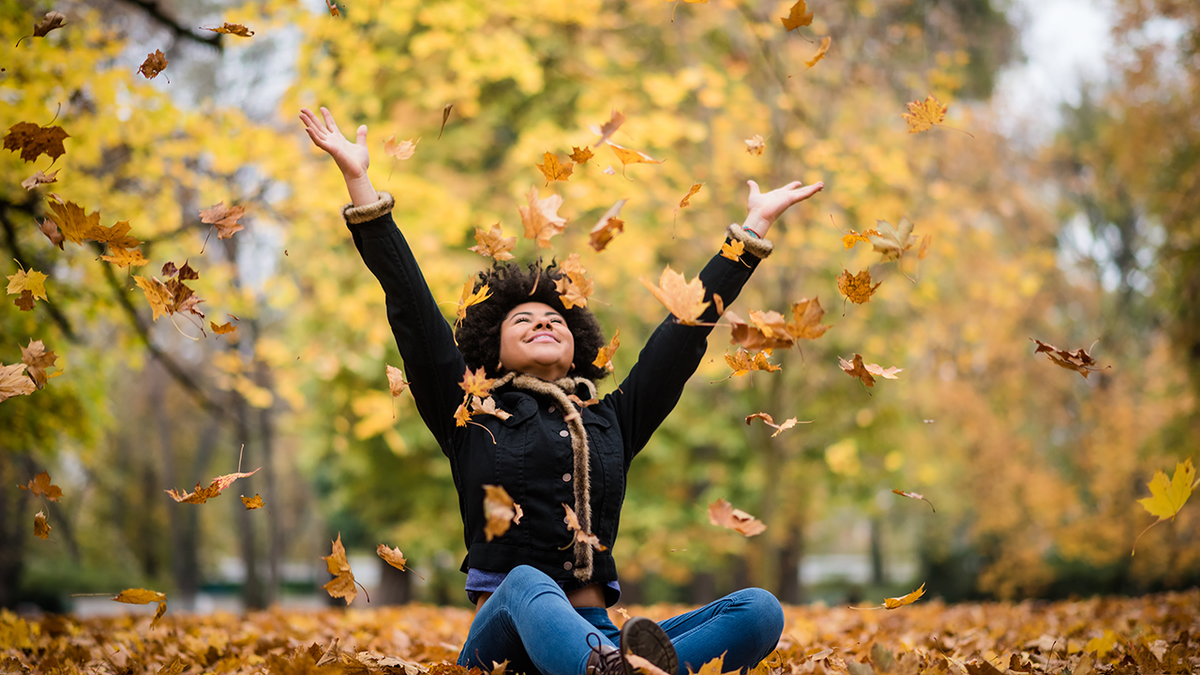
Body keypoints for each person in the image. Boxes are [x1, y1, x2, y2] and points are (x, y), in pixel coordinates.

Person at [300, 106, 823, 675]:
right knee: (527, 581)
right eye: (522, 320)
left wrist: (749, 236)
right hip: (508, 637)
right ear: (492, 349)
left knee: (758, 609)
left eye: (554, 319)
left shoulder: (611, 419)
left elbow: (680, 339)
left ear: (576, 343)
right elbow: (413, 310)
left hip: (602, 637)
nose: (543, 322)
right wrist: (361, 184)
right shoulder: (471, 410)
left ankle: (619, 672)